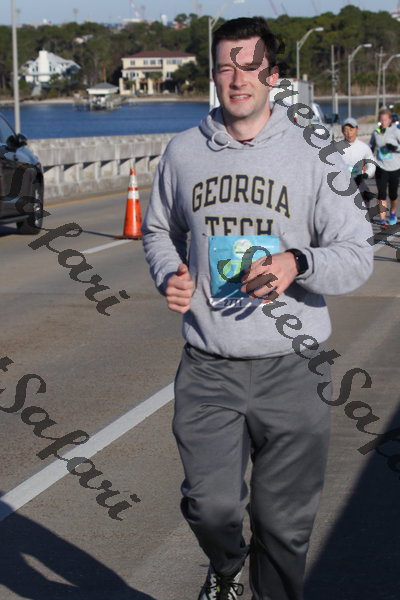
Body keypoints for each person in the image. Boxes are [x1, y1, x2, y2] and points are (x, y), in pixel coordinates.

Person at [142, 17, 373, 600]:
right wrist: (170, 273)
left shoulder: (315, 154)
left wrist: (298, 261)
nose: (237, 78)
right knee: (211, 506)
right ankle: (226, 568)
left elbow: (356, 253)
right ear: (213, 74)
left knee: (284, 527)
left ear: (273, 75)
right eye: (225, 66)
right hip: (209, 366)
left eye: (250, 65)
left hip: (293, 367)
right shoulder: (184, 152)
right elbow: (159, 231)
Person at [369, 108, 400, 228]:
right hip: (381, 166)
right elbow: (371, 147)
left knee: (393, 194)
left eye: (385, 120)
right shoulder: (376, 132)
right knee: (381, 193)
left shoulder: (395, 131)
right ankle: (382, 220)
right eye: (381, 120)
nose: (383, 122)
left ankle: (392, 213)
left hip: (395, 167)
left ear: (390, 120)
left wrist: (395, 148)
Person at [340, 117, 376, 201]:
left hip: (360, 183)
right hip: (342, 185)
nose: (349, 133)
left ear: (357, 129)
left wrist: (366, 174)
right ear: (342, 131)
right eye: (346, 130)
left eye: (351, 129)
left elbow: (372, 164)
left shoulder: (364, 147)